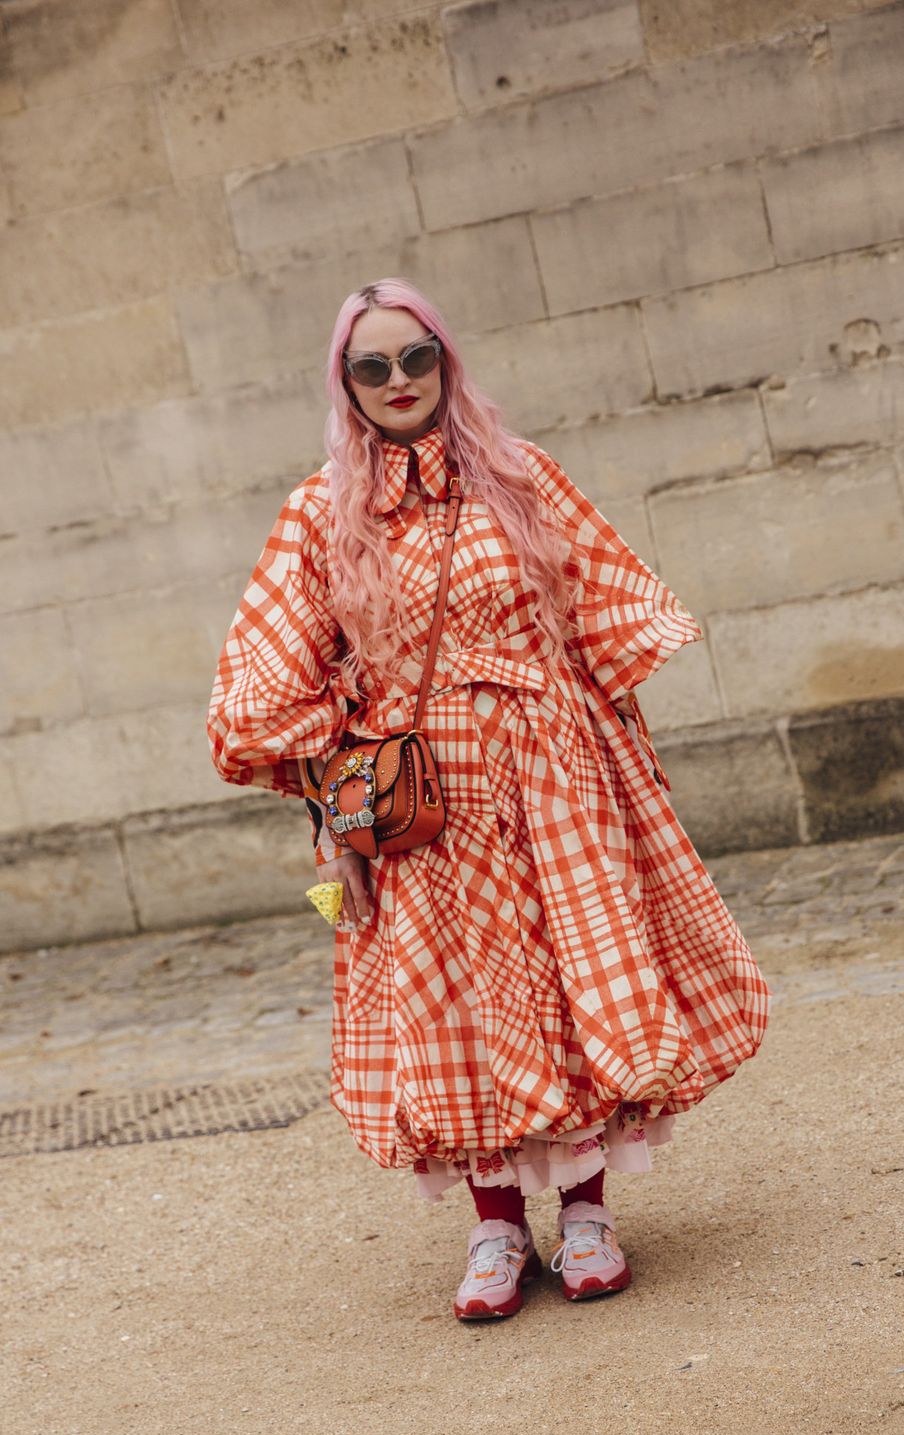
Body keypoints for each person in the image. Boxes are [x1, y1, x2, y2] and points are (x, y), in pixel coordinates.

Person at [207, 276, 770, 1322]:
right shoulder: (316, 517)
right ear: (344, 382)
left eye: (415, 357)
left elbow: (603, 622)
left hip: (553, 774)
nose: (398, 381)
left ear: (444, 360)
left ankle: (590, 1213)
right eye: (370, 366)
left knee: (574, 980)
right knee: (455, 1000)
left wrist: (624, 766)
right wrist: (337, 782)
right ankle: (496, 1226)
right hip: (424, 802)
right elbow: (267, 676)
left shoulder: (522, 479)